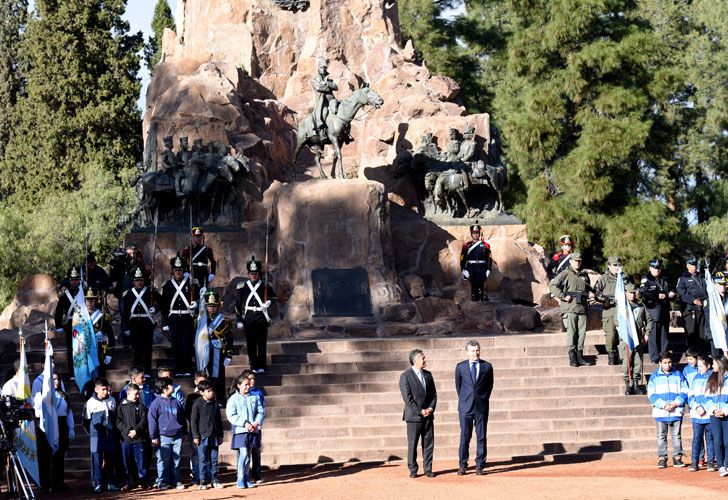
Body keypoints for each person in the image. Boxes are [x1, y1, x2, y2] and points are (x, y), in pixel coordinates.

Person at [454, 340, 493, 475]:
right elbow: (459, 387)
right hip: (465, 408)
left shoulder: (487, 367)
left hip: (481, 407)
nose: (475, 353)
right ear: (467, 352)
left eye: (477, 350)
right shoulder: (460, 367)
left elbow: (489, 387)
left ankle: (480, 465)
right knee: (465, 436)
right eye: (472, 350)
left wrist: (482, 399)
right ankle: (463, 465)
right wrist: (466, 400)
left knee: (481, 436)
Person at [549, 252, 594, 367]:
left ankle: (580, 356)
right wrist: (563, 296)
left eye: (579, 261)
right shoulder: (565, 274)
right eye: (575, 261)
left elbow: (588, 289)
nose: (577, 263)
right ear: (570, 261)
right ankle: (572, 357)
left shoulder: (584, 275)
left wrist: (590, 294)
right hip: (570, 308)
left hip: (582, 308)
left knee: (582, 334)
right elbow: (553, 286)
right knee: (572, 333)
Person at [399, 349, 437, 478]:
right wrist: (420, 411)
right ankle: (413, 469)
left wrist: (431, 408)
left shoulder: (428, 375)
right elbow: (407, 398)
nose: (425, 360)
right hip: (414, 417)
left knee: (428, 444)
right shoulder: (405, 376)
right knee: (413, 444)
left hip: (428, 416)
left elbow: (433, 395)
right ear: (415, 360)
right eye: (423, 358)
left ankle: (428, 468)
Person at [647, 350, 688, 469]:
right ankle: (662, 458)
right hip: (661, 412)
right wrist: (663, 405)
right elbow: (651, 394)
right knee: (661, 435)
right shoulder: (654, 376)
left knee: (676, 435)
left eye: (669, 362)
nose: (667, 365)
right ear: (660, 363)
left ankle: (677, 457)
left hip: (676, 411)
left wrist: (675, 403)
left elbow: (685, 390)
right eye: (665, 362)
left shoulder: (678, 374)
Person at [236, 256, 276, 374]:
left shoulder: (265, 285)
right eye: (251, 273)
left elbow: (274, 297)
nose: (254, 275)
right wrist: (239, 319)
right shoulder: (243, 286)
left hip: (261, 315)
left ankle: (262, 365)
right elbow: (238, 304)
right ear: (248, 274)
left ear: (259, 273)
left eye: (256, 273)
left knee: (262, 342)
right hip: (249, 317)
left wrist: (268, 302)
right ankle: (253, 365)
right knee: (251, 342)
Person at [161, 255, 200, 377]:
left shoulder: (191, 284)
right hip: (173, 318)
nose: (178, 272)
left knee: (187, 344)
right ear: (172, 271)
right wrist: (165, 321)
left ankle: (187, 369)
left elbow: (199, 299)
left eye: (180, 270)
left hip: (187, 317)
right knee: (176, 345)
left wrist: (196, 303)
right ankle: (178, 370)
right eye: (176, 270)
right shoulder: (168, 285)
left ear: (183, 271)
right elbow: (164, 304)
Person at [148, 376, 187, 490]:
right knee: (163, 460)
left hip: (177, 435)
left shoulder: (176, 401)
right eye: (171, 385)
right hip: (163, 436)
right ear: (164, 389)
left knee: (177, 460)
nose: (173, 386)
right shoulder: (156, 403)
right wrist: (153, 436)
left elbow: (182, 418)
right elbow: (152, 421)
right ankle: (162, 481)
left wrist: (184, 432)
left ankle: (175, 480)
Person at [227, 373, 265, 489]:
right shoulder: (233, 399)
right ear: (239, 385)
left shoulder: (255, 397)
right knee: (243, 454)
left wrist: (256, 422)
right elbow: (231, 415)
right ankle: (240, 478)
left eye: (249, 385)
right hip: (241, 431)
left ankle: (247, 478)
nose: (248, 387)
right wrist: (244, 423)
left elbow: (261, 411)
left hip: (253, 430)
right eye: (245, 385)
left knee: (248, 456)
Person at [83, 377, 120, 493]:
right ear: (96, 389)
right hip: (96, 437)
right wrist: (93, 433)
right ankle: (97, 483)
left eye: (107, 389)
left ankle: (110, 482)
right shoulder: (90, 403)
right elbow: (86, 421)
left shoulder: (112, 400)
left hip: (109, 436)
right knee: (97, 461)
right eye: (103, 389)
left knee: (110, 460)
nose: (106, 391)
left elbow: (115, 417)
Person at [122, 267, 161, 373]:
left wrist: (155, 308)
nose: (139, 282)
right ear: (133, 281)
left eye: (141, 280)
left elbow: (161, 301)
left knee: (147, 348)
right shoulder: (128, 294)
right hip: (134, 323)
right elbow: (125, 312)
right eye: (137, 280)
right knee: (136, 348)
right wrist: (126, 326)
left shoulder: (150, 291)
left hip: (147, 322)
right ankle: (138, 371)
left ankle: (147, 371)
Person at [191, 380, 224, 490]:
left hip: (214, 436)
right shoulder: (197, 404)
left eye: (212, 390)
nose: (211, 393)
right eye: (208, 391)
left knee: (214, 459)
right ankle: (203, 481)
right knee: (203, 459)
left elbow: (219, 421)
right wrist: (196, 436)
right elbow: (194, 421)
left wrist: (220, 435)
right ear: (201, 392)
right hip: (202, 436)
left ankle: (214, 479)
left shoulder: (215, 403)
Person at [640, 259, 675, 363]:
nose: (657, 270)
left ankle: (664, 355)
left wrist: (672, 294)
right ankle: (655, 357)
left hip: (664, 309)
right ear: (650, 268)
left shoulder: (665, 278)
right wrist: (657, 296)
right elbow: (643, 292)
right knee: (654, 336)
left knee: (664, 335)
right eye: (655, 268)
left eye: (659, 268)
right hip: (653, 310)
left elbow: (672, 289)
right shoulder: (646, 279)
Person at [74, 288, 115, 376]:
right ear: (84, 301)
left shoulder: (102, 316)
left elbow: (111, 335)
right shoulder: (79, 317)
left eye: (92, 300)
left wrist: (109, 354)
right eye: (88, 300)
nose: (90, 303)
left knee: (100, 376)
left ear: (95, 301)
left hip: (99, 351)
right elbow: (75, 336)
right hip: (85, 351)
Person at [116, 383, 149, 490]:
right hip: (126, 439)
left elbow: (144, 421)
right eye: (135, 394)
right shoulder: (121, 406)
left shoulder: (141, 406)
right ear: (128, 393)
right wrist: (127, 431)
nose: (138, 396)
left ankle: (143, 482)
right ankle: (129, 482)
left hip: (139, 439)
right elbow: (118, 421)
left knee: (141, 463)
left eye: (138, 394)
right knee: (127, 463)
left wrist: (136, 430)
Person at [622, 282, 652, 395]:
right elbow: (617, 321)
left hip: (638, 336)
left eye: (634, 293)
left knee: (638, 360)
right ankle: (628, 384)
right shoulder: (622, 307)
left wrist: (647, 334)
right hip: (627, 337)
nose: (633, 295)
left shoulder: (640, 306)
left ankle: (636, 383)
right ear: (625, 293)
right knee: (627, 361)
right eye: (630, 293)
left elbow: (649, 320)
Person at [202, 291, 233, 401]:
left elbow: (229, 337)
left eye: (214, 306)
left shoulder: (224, 321)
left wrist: (229, 354)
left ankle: (220, 398)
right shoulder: (201, 321)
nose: (212, 308)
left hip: (219, 352)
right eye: (210, 306)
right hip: (204, 351)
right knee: (206, 375)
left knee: (219, 376)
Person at [594, 256, 623, 366]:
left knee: (621, 335)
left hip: (621, 311)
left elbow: (631, 290)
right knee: (610, 335)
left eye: (618, 265)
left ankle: (622, 356)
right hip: (609, 311)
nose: (617, 267)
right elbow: (596, 292)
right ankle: (611, 355)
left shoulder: (623, 278)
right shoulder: (603, 278)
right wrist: (605, 300)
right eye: (615, 265)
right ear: (609, 266)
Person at [688, 354, 715, 472]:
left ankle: (710, 462)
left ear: (708, 366)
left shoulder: (714, 378)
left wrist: (706, 408)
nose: (698, 368)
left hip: (709, 415)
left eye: (701, 366)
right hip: (696, 415)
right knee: (697, 438)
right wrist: (696, 407)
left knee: (710, 439)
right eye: (698, 366)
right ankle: (694, 462)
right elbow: (691, 395)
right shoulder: (695, 378)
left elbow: (713, 396)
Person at [54, 266, 82, 374]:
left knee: (82, 347)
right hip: (70, 324)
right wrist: (59, 326)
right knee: (71, 349)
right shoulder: (65, 294)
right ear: (69, 280)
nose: (74, 282)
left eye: (76, 280)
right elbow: (59, 311)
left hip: (82, 323)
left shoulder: (83, 292)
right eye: (72, 280)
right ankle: (72, 372)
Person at [676, 256, 708, 351]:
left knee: (702, 333)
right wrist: (693, 300)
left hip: (702, 308)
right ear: (687, 266)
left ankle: (702, 354)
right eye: (692, 265)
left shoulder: (701, 276)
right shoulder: (683, 277)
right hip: (690, 309)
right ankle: (691, 354)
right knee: (691, 332)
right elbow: (681, 292)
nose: (694, 266)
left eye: (695, 264)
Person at [705, 355, 728, 476]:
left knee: (727, 441)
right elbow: (707, 398)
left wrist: (724, 410)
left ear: (721, 364)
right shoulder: (711, 379)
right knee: (718, 441)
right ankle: (721, 466)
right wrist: (714, 410)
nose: (712, 366)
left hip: (726, 415)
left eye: (714, 363)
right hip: (714, 416)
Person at [185, 371, 209, 486]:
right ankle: (196, 476)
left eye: (205, 381)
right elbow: (188, 414)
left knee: (207, 453)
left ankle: (207, 476)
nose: (203, 384)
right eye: (200, 381)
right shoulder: (191, 396)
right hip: (195, 430)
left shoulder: (210, 395)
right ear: (195, 382)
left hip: (207, 429)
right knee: (196, 453)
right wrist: (195, 427)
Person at [459, 221, 493, 302]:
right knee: (473, 286)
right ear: (471, 234)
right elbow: (462, 259)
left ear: (479, 233)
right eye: (474, 233)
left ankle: (481, 303)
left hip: (482, 268)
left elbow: (489, 258)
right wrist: (463, 269)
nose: (475, 234)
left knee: (480, 286)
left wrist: (488, 269)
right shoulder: (466, 246)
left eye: (477, 233)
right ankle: (474, 304)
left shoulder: (485, 245)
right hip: (471, 268)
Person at [52, 374, 75, 491]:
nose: (56, 381)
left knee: (60, 455)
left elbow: (69, 413)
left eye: (58, 379)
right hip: (51, 426)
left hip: (62, 425)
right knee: (52, 456)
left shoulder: (64, 395)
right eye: (54, 379)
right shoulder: (45, 394)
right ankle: (52, 483)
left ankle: (60, 481)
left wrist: (71, 428)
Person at [245, 370, 266, 483]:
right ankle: (245, 475)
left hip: (256, 426)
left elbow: (262, 408)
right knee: (245, 452)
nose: (252, 381)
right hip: (244, 427)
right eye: (250, 379)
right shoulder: (240, 392)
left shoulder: (258, 392)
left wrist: (258, 422)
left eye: (253, 379)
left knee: (256, 452)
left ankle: (257, 475)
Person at [311, 57, 339, 135]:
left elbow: (336, 87)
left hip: (332, 100)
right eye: (322, 67)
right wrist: (328, 87)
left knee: (340, 110)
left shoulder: (328, 80)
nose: (323, 69)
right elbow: (319, 88)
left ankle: (345, 131)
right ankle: (322, 131)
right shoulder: (314, 80)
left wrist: (327, 83)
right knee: (324, 112)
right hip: (322, 102)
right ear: (318, 68)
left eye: (325, 68)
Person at [705, 272, 728, 358]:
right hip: (715, 334)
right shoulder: (710, 300)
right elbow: (711, 318)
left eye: (724, 284)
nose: (723, 287)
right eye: (720, 284)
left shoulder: (726, 298)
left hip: (727, 332)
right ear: (714, 284)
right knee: (718, 359)